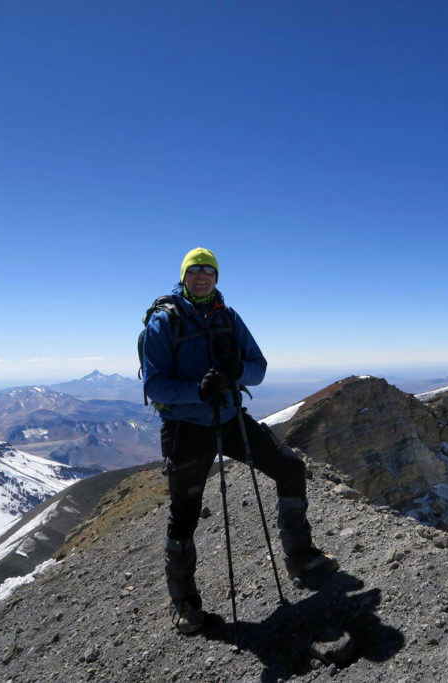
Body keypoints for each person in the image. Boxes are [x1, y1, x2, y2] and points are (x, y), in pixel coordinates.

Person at [142, 247, 337, 635]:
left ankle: (299, 556)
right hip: (186, 427)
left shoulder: (228, 317)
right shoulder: (164, 322)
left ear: (216, 277)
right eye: (195, 271)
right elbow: (154, 384)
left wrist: (237, 372)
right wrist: (199, 390)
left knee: (290, 468)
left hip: (230, 418)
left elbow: (259, 369)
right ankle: (184, 602)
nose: (202, 277)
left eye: (208, 271)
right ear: (184, 276)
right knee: (184, 512)